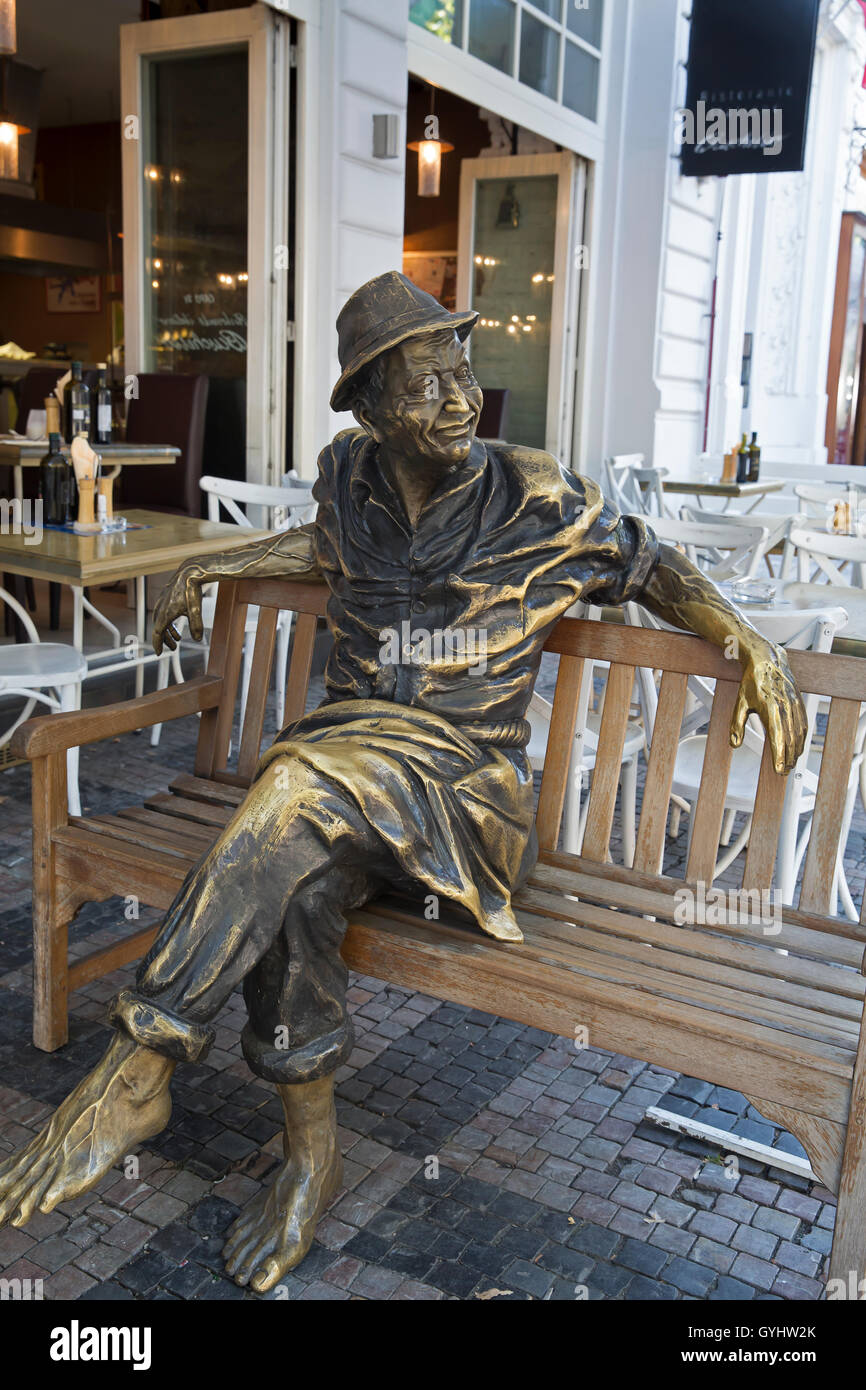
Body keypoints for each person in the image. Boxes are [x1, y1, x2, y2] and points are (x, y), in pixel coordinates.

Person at [0, 272, 807, 1292]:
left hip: (463, 798)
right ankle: (308, 1158)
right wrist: (220, 567)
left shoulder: (535, 493)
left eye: (461, 375)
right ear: (371, 408)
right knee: (289, 866)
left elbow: (652, 564)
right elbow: (323, 548)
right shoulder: (349, 479)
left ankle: (134, 1068)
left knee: (290, 793)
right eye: (424, 386)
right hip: (344, 784)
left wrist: (742, 636)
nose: (457, 399)